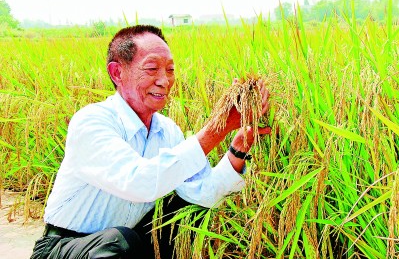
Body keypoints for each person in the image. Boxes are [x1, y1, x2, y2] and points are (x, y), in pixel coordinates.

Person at [30, 24, 271, 259]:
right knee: (119, 240)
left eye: (170, 70)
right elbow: (139, 182)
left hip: (124, 244)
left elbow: (203, 193)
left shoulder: (167, 131)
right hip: (64, 248)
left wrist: (238, 149)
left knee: (185, 212)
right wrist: (219, 127)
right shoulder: (92, 122)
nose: (164, 81)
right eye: (152, 68)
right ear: (117, 73)